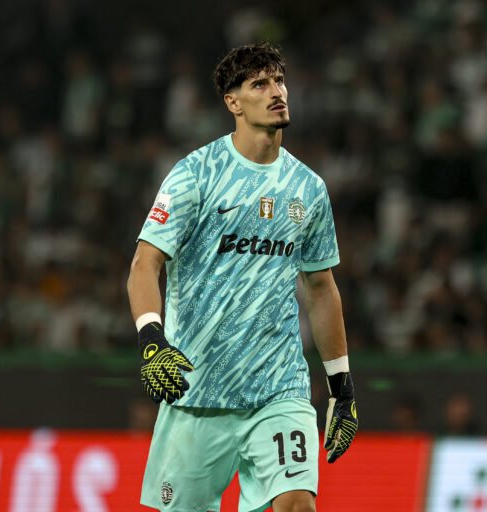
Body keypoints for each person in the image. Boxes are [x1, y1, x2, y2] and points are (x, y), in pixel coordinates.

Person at [127, 42, 357, 512]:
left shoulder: (308, 189)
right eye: (260, 84)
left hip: (278, 390)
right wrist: (153, 341)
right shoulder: (196, 174)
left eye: (279, 81)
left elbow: (321, 288)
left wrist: (342, 388)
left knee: (296, 503)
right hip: (198, 391)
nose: (277, 92)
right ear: (233, 102)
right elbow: (143, 265)